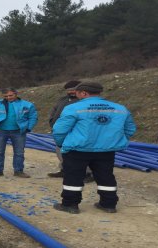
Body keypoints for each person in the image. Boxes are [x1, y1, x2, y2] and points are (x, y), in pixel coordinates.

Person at [52, 82, 136, 214]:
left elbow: (59, 130)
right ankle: (108, 204)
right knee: (105, 176)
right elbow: (130, 129)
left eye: (77, 93)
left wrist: (61, 143)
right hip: (106, 150)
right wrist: (113, 141)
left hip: (78, 149)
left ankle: (70, 204)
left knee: (73, 177)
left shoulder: (74, 108)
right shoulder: (120, 108)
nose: (76, 95)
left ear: (84, 93)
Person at [0, 87, 38, 178]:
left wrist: (28, 128)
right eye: (6, 96)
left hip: (18, 132)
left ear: (16, 94)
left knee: (19, 152)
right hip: (1, 131)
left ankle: (18, 171)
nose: (8, 97)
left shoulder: (27, 105)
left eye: (10, 95)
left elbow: (33, 117)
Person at [47, 80, 94, 183]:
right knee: (60, 151)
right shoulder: (62, 100)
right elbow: (53, 113)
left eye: (73, 89)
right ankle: (65, 170)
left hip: (78, 132)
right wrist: (53, 124)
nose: (71, 91)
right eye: (69, 90)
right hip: (62, 131)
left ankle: (88, 173)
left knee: (82, 153)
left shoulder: (86, 102)